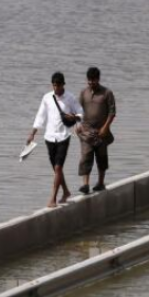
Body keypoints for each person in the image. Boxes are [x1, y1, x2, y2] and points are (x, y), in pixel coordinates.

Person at [27, 72, 84, 208]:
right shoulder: (47, 98)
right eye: (54, 86)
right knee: (56, 169)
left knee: (58, 167)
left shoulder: (70, 98)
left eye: (58, 86)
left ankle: (53, 198)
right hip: (49, 137)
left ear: (63, 84)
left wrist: (76, 119)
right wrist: (32, 134)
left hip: (64, 136)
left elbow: (80, 112)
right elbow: (40, 116)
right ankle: (66, 191)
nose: (56, 88)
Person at [77, 66, 116, 194]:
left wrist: (106, 127)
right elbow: (77, 111)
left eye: (93, 80)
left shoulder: (107, 93)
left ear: (98, 79)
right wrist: (77, 125)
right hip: (86, 131)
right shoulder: (83, 93)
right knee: (85, 157)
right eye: (89, 80)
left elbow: (112, 112)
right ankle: (86, 185)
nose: (91, 83)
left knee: (101, 158)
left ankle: (100, 183)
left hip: (101, 132)